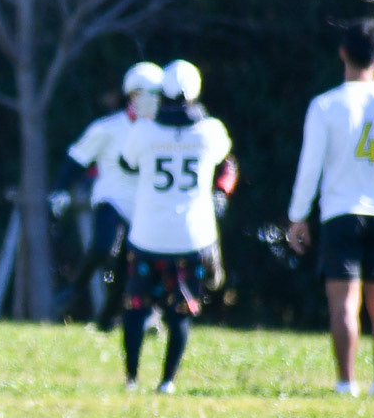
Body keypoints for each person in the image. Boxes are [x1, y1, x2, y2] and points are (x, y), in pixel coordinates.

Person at [284, 20, 374, 397]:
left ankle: (346, 382)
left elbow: (309, 166)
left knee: (344, 303)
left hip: (340, 212)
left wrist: (298, 215)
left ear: (342, 53)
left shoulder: (325, 105)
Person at [117, 59, 236, 394]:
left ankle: (132, 379)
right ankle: (167, 382)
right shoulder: (210, 130)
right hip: (191, 236)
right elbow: (226, 161)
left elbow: (127, 163)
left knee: (136, 309)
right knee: (180, 312)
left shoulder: (145, 131)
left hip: (147, 235)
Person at [49, 62, 162, 330]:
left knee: (128, 266)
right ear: (132, 95)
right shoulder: (107, 128)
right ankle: (76, 287)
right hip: (112, 198)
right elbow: (77, 158)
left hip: (146, 206)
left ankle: (110, 319)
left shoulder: (162, 131)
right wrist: (60, 189)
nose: (154, 100)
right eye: (148, 94)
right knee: (103, 246)